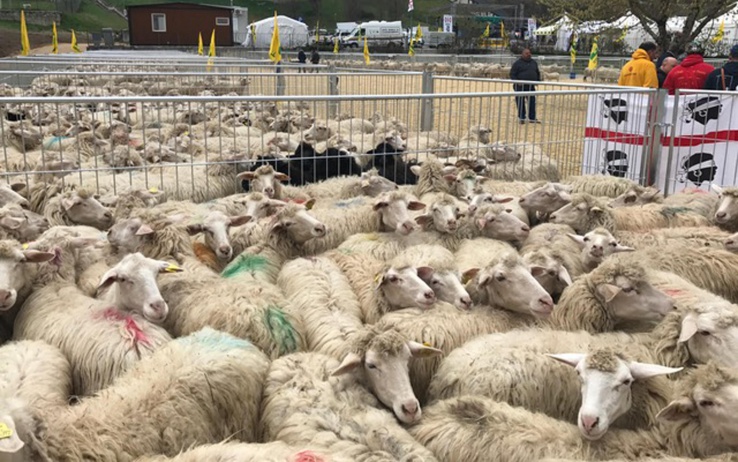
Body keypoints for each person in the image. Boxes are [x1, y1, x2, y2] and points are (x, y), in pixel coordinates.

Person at [510, 48, 541, 124]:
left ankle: (532, 118)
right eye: (527, 53)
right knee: (520, 102)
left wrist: (537, 80)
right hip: (520, 86)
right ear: (522, 54)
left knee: (532, 102)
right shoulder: (517, 63)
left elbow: (537, 72)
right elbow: (512, 74)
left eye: (529, 53)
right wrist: (517, 82)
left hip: (531, 86)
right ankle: (521, 118)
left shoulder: (534, 62)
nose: (529, 54)